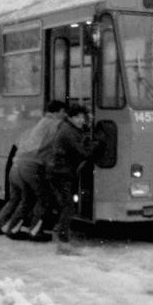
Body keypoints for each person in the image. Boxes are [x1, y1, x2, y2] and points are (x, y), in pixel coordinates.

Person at [0, 100, 67, 241]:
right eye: (63, 112)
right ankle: (33, 231)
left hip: (16, 165)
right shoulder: (54, 123)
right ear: (57, 112)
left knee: (18, 198)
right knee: (44, 199)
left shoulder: (40, 123)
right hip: (31, 166)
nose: (65, 115)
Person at [50, 104, 101, 255]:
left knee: (66, 205)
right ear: (70, 117)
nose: (80, 120)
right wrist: (97, 143)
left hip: (62, 172)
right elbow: (83, 152)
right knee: (68, 207)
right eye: (77, 117)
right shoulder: (68, 132)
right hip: (61, 173)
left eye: (82, 117)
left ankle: (59, 235)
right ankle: (63, 244)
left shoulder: (70, 129)